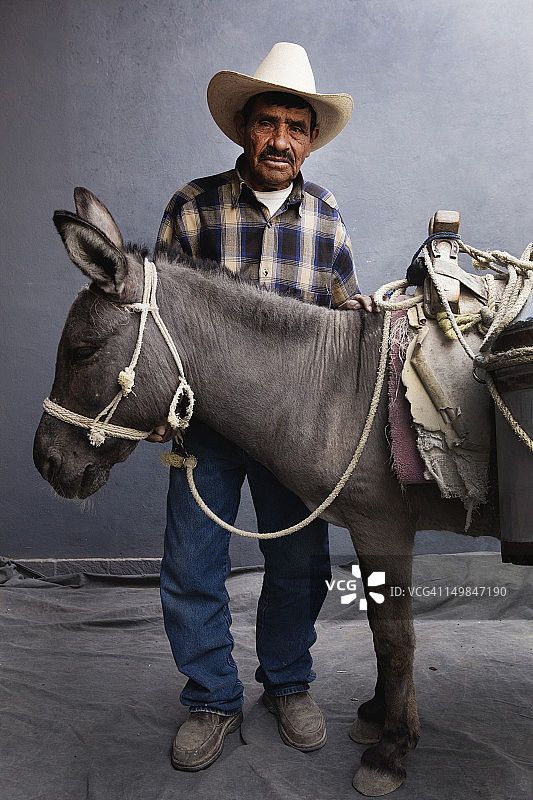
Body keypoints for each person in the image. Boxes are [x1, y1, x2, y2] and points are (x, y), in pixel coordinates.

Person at [149, 42, 374, 772]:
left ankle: (287, 683)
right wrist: (159, 398)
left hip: (295, 433)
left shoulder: (328, 219)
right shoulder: (192, 206)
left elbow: (342, 324)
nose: (281, 139)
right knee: (190, 564)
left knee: (301, 566)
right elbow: (156, 319)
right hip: (205, 424)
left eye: (296, 126)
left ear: (309, 138)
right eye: (268, 122)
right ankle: (211, 698)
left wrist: (366, 318)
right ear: (244, 128)